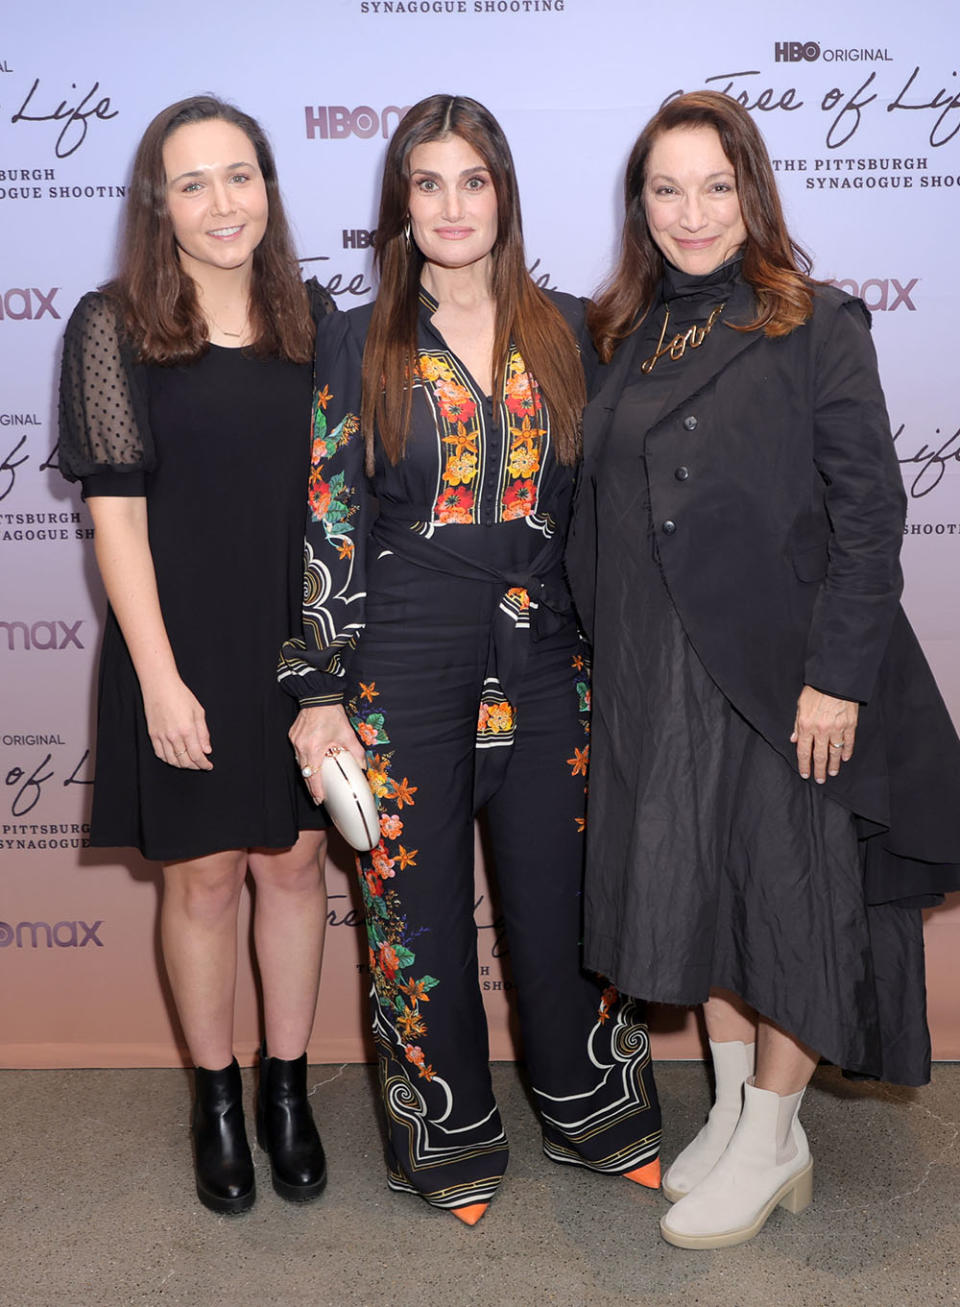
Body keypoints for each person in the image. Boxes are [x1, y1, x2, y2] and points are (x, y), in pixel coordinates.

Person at [567, 90, 960, 1250]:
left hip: (782, 674)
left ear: (753, 191)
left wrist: (837, 677)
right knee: (698, 890)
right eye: (666, 189)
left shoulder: (815, 320)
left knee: (786, 898)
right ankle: (737, 1104)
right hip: (655, 668)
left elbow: (871, 514)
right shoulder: (624, 332)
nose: (692, 213)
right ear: (639, 204)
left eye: (715, 186)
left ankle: (777, 1129)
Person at [279, 93, 662, 1225]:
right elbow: (328, 514)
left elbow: (613, 508)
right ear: (402, 202)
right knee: (416, 912)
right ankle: (442, 1135)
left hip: (551, 653)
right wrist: (315, 684)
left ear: (504, 191)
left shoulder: (576, 326)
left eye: (473, 180)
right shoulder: (354, 336)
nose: (453, 205)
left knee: (567, 897)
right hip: (402, 655)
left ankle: (595, 1107)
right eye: (428, 182)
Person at [58, 96, 333, 1215]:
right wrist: (161, 679)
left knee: (298, 866)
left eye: (241, 175)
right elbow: (115, 520)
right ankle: (217, 1098)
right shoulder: (111, 324)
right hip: (175, 648)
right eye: (193, 182)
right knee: (208, 876)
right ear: (157, 204)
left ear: (268, 186)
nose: (224, 202)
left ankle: (287, 1091)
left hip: (298, 652)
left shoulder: (319, 321)